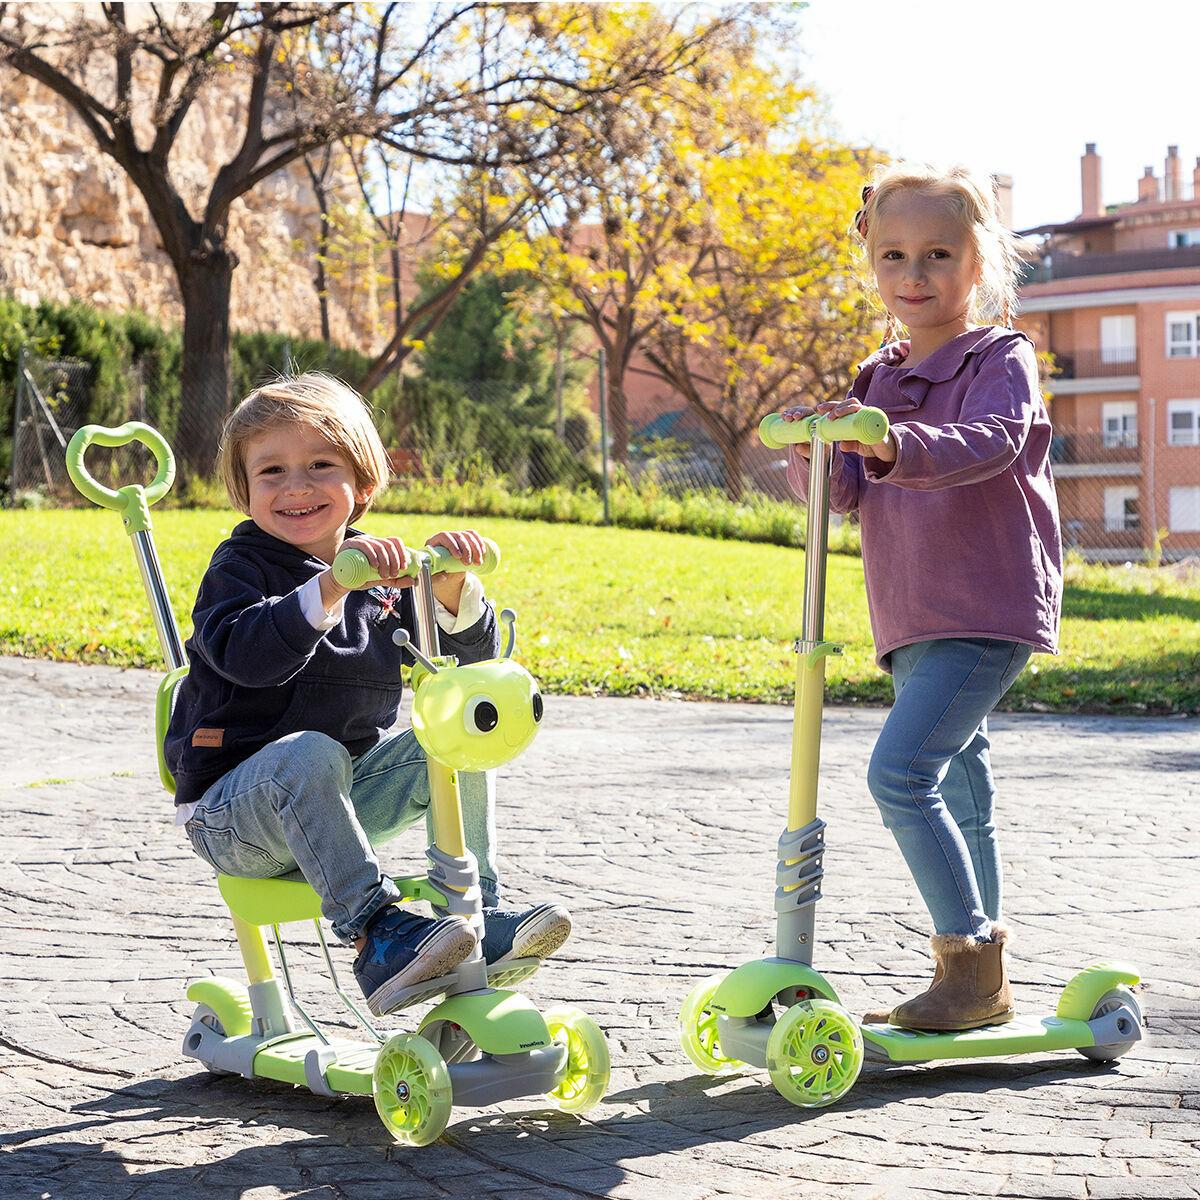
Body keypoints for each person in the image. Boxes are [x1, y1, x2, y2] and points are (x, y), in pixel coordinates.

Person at [165, 373, 570, 1017]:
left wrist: (452, 592)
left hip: (343, 797)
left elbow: (466, 675)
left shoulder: (383, 577)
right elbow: (251, 657)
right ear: (245, 491)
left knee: (452, 736)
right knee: (310, 753)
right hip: (236, 817)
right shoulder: (238, 570)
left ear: (363, 483)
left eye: (321, 465)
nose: (296, 486)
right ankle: (377, 934)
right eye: (272, 471)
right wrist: (328, 590)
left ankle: (475, 911)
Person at [780, 163, 1062, 1031]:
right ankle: (986, 976)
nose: (915, 274)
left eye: (938, 254)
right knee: (962, 784)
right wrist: (819, 446)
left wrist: (895, 441)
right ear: (872, 264)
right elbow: (847, 496)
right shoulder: (878, 376)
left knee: (901, 775)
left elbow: (990, 443)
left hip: (985, 606)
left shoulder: (998, 358)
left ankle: (969, 968)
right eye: (895, 254)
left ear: (978, 266)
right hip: (909, 620)